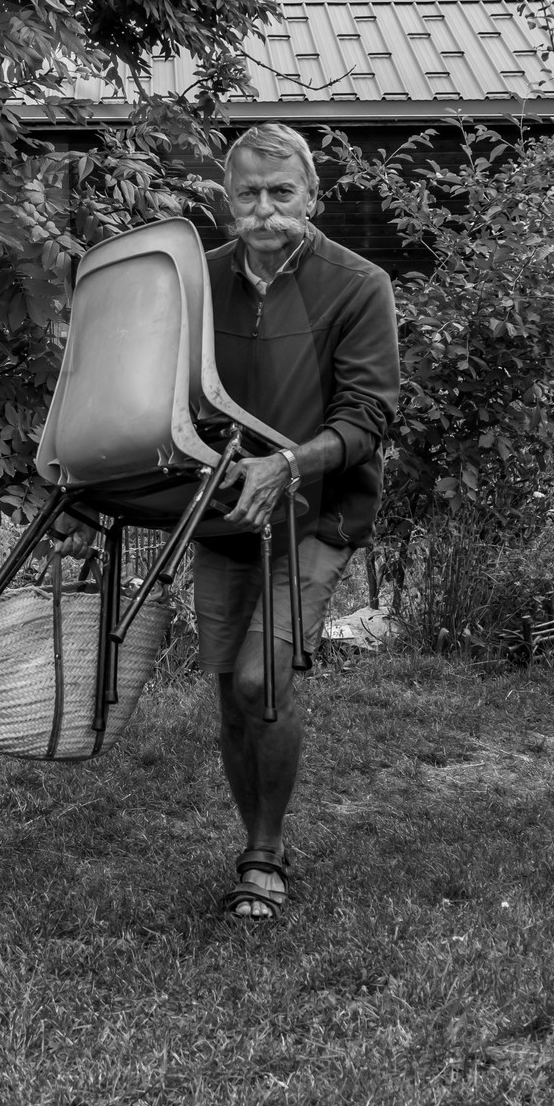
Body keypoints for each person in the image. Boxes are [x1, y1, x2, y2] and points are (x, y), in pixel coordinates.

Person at [61, 123, 399, 919]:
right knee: (227, 689)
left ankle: (264, 855)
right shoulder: (192, 283)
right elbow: (135, 397)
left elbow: (368, 416)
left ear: (312, 198)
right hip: (215, 511)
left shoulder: (357, 285)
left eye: (283, 193)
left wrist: (289, 464)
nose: (265, 208)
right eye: (248, 192)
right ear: (227, 197)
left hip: (316, 514)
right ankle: (255, 840)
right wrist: (82, 492)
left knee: (263, 679)